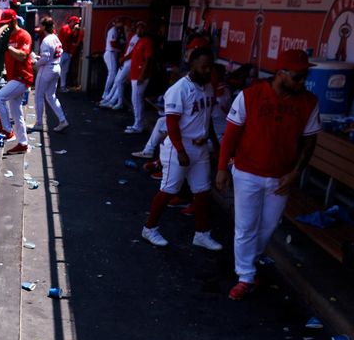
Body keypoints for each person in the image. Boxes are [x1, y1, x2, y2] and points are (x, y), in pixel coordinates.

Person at [215, 49, 320, 300]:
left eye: (306, 76)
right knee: (245, 226)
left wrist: (295, 173)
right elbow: (231, 135)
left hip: (281, 176)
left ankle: (250, 262)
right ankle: (246, 275)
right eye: (298, 76)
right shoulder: (250, 96)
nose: (303, 81)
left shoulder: (309, 102)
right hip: (247, 172)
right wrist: (221, 168)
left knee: (268, 225)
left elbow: (309, 143)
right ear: (281, 73)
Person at [140, 46, 224, 251]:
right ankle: (149, 228)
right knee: (169, 190)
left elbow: (209, 120)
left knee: (202, 191)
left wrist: (216, 146)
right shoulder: (179, 89)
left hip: (200, 147)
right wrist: (180, 150)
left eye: (210, 67)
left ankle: (202, 234)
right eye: (203, 67)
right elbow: (171, 124)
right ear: (192, 64)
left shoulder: (208, 87)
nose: (207, 71)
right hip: (180, 147)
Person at [0, 9, 33, 155]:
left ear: (14, 21)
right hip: (13, 77)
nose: (6, 26)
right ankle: (23, 143)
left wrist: (8, 47)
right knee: (17, 113)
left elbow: (22, 56)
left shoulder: (24, 35)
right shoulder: (8, 35)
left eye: (7, 23)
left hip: (22, 77)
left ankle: (8, 131)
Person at [33, 15, 70, 133]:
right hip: (56, 67)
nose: (40, 27)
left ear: (44, 26)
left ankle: (39, 123)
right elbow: (53, 54)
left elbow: (45, 58)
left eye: (41, 25)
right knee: (51, 96)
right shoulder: (55, 37)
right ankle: (63, 120)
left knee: (38, 96)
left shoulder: (46, 40)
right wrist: (41, 59)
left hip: (47, 69)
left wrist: (35, 63)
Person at [125, 21, 156, 133]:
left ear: (145, 29)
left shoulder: (147, 42)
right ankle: (137, 123)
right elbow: (132, 56)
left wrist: (142, 75)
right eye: (138, 28)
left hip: (140, 76)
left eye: (141, 28)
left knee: (137, 99)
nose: (139, 30)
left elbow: (148, 60)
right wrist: (129, 74)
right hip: (135, 75)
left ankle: (138, 125)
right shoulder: (139, 41)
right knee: (135, 100)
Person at [101, 16, 126, 101]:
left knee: (113, 74)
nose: (120, 24)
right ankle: (105, 92)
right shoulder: (113, 30)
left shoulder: (118, 30)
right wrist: (121, 47)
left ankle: (107, 93)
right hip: (110, 53)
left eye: (121, 22)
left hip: (112, 53)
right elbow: (113, 43)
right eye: (119, 22)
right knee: (112, 74)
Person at [58, 15, 82, 90]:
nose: (76, 25)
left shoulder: (73, 30)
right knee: (56, 70)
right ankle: (51, 87)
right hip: (61, 52)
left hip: (68, 53)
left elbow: (74, 42)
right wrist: (74, 31)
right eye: (75, 23)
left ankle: (62, 86)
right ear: (71, 22)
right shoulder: (65, 28)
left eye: (77, 23)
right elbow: (66, 38)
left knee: (64, 71)